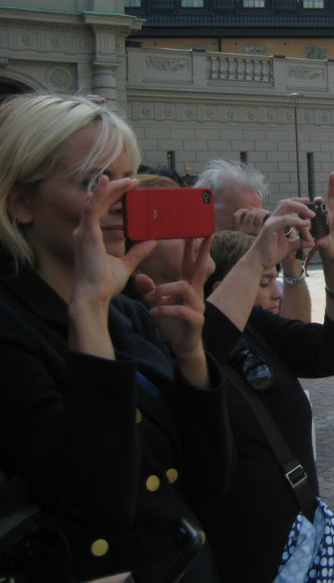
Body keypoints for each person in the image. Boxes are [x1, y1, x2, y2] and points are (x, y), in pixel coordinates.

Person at [0, 93, 233, 582]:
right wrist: (86, 311)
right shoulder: (13, 326)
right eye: (93, 182)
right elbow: (98, 502)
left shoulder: (128, 312)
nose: (120, 202)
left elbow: (211, 481)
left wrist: (191, 354)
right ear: (20, 201)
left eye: (126, 179)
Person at [134, 172, 334, 582]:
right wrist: (256, 260)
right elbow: (196, 352)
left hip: (298, 547)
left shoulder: (243, 321)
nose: (192, 229)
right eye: (166, 218)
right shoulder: (138, 332)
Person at [194, 159, 311, 323]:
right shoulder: (191, 274)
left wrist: (291, 263)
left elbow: (297, 339)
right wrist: (237, 251)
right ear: (204, 215)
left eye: (257, 216)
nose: (253, 224)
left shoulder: (270, 281)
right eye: (242, 216)